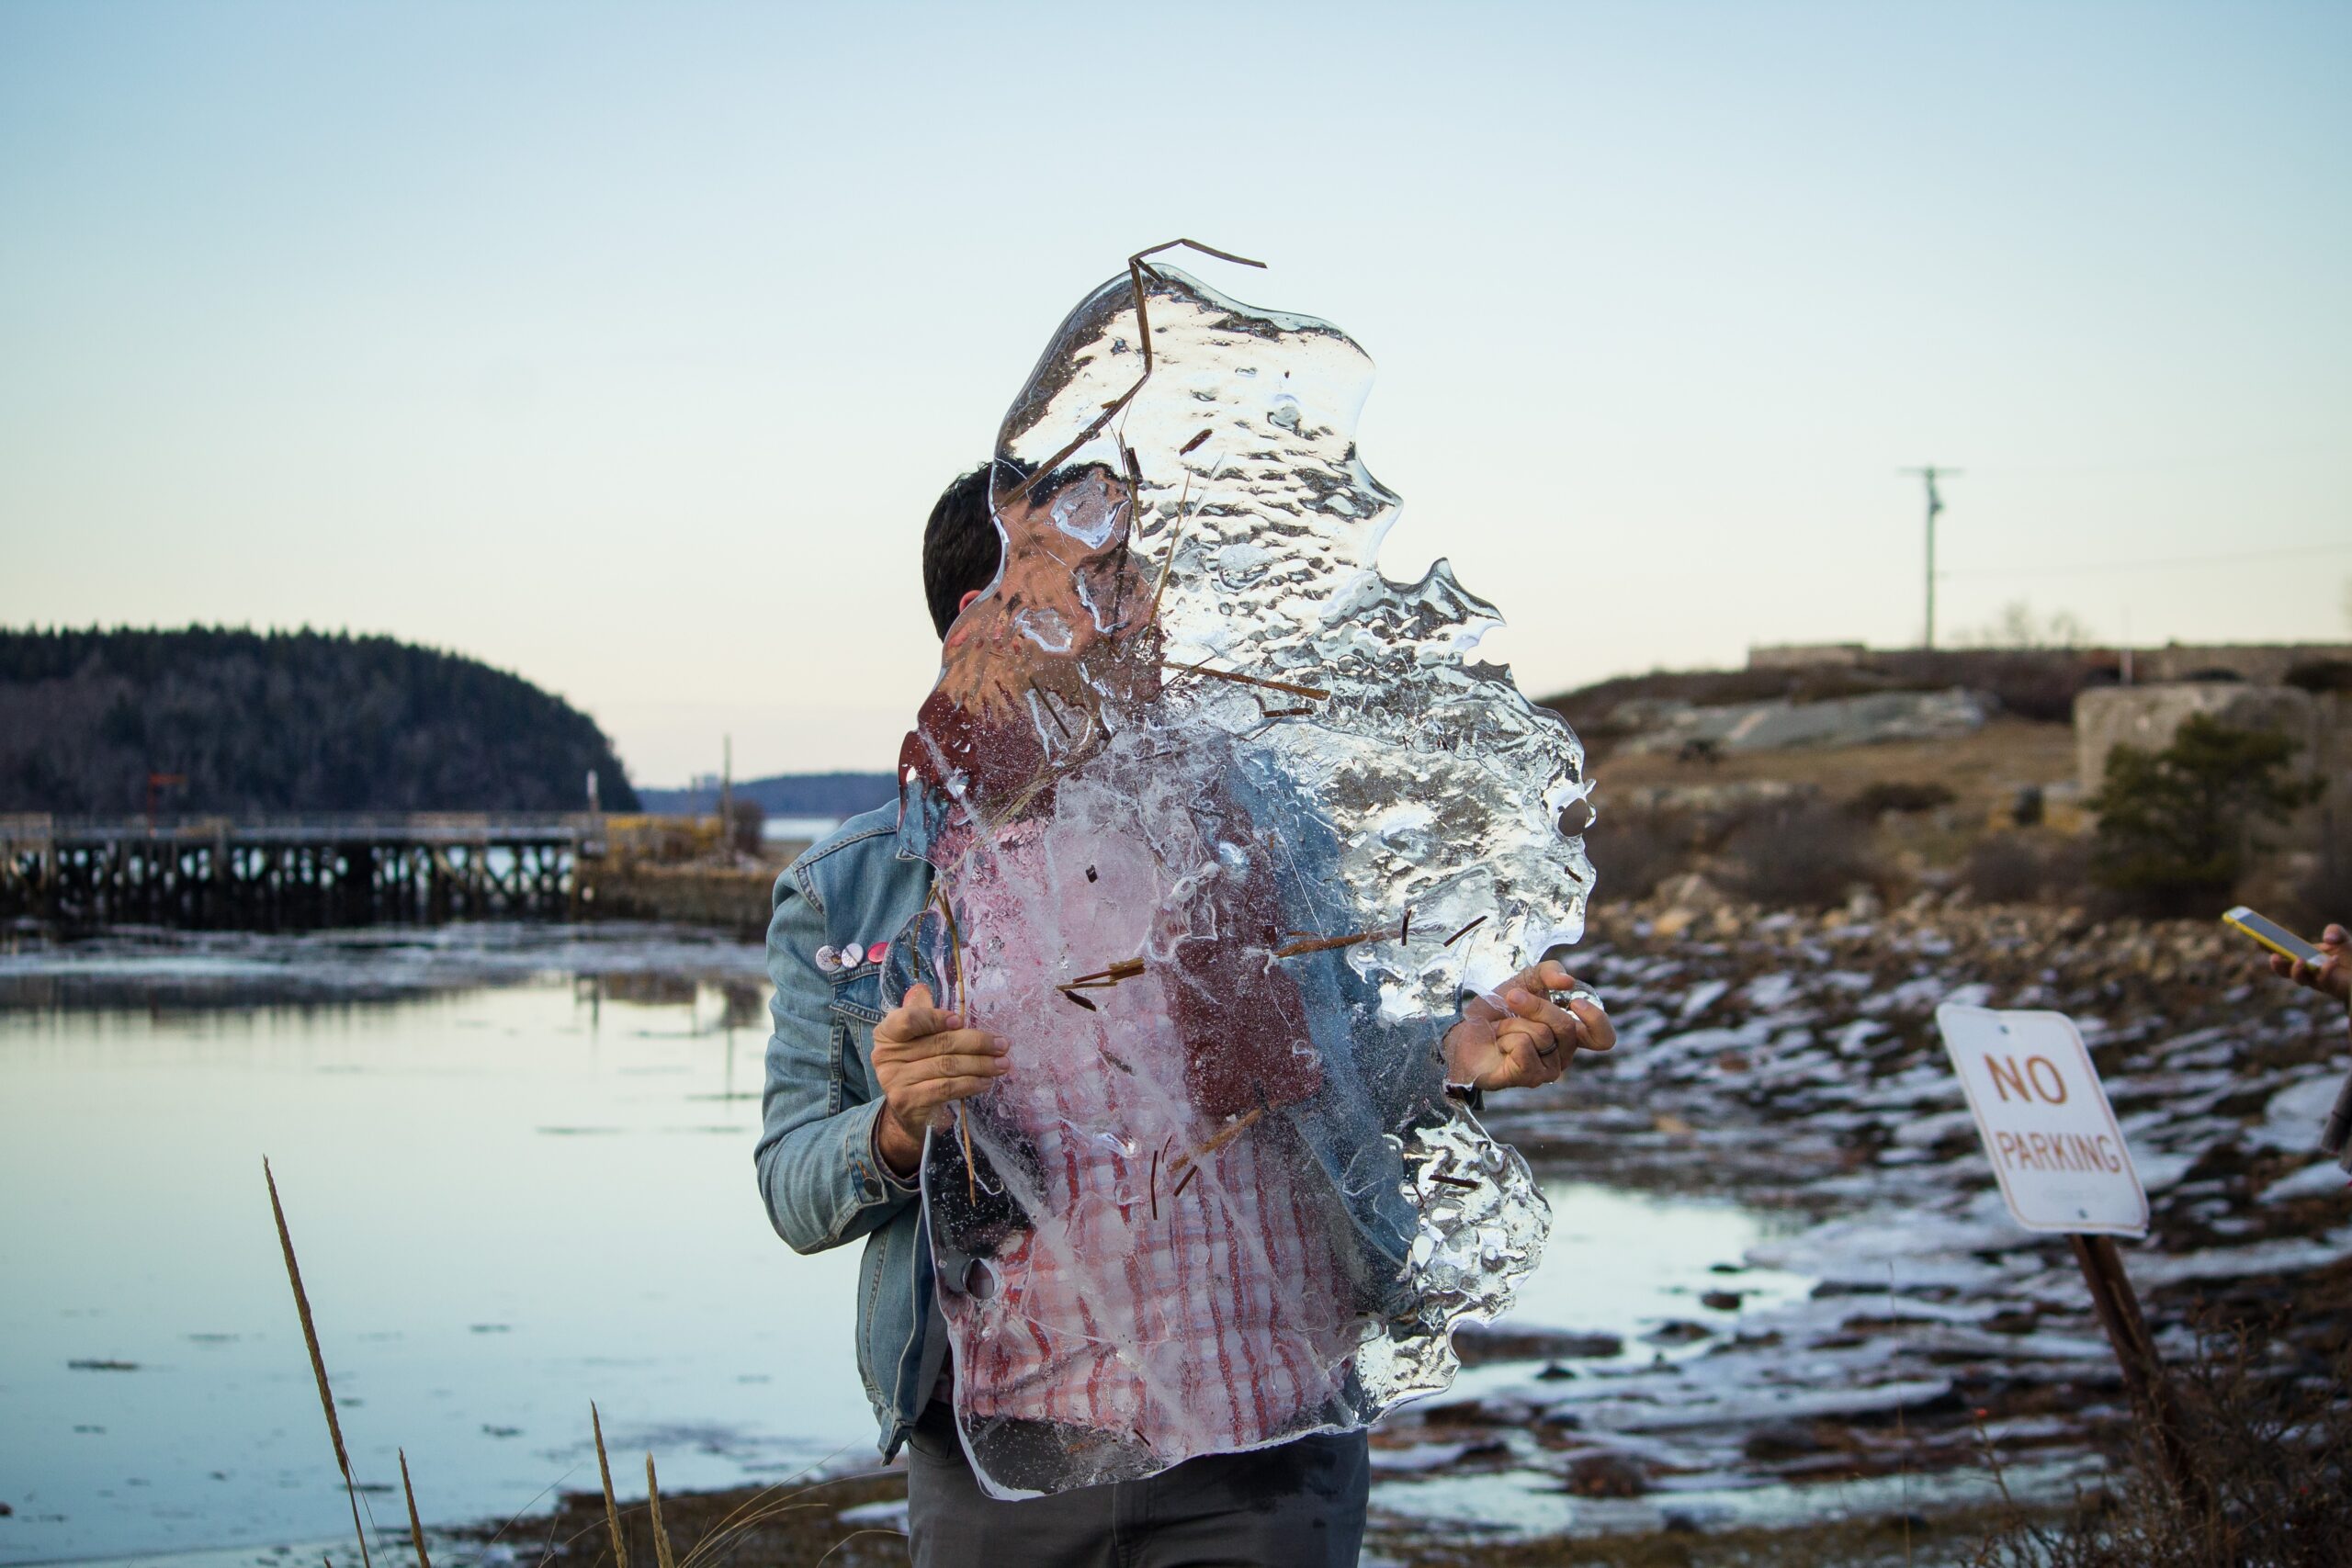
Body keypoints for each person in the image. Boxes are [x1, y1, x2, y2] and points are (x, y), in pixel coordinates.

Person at [756, 465, 1615, 1567]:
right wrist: (895, 1126)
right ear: (987, 620)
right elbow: (792, 1184)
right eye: (1107, 576)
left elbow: (1333, 1074)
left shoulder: (1250, 818)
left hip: (1270, 1443)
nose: (1151, 606)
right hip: (1012, 1464)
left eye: (1144, 572)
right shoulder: (861, 887)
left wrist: (1454, 1050)